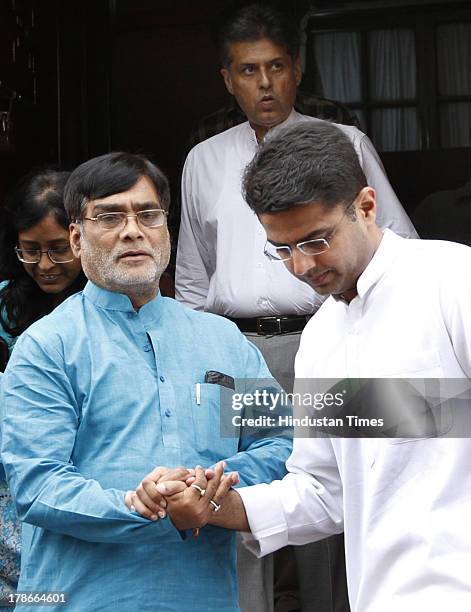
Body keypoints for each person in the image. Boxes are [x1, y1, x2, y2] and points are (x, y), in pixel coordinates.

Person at [140, 120, 471, 611]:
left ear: (366, 206)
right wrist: (216, 505)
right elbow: (324, 491)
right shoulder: (321, 335)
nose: (301, 266)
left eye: (316, 241)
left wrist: (409, 412)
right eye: (282, 249)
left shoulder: (451, 280)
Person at [175, 2, 417, 610]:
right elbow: (192, 277)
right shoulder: (203, 161)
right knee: (237, 482)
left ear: (298, 69)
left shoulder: (345, 143)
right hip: (239, 353)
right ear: (227, 79)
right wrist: (200, 363)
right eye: (249, 71)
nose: (264, 83)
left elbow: (398, 245)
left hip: (332, 339)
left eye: (276, 67)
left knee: (341, 485)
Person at [0, 152, 292, 612]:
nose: (133, 230)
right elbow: (37, 486)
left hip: (203, 598)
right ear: (76, 237)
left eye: (148, 214)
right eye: (110, 216)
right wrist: (138, 505)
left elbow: (278, 443)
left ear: (166, 230)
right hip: (81, 599)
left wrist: (212, 489)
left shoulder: (222, 341)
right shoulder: (48, 346)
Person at [0, 170, 85, 606]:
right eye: (30, 251)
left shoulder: (110, 307)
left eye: (57, 249)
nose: (46, 266)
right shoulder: (5, 304)